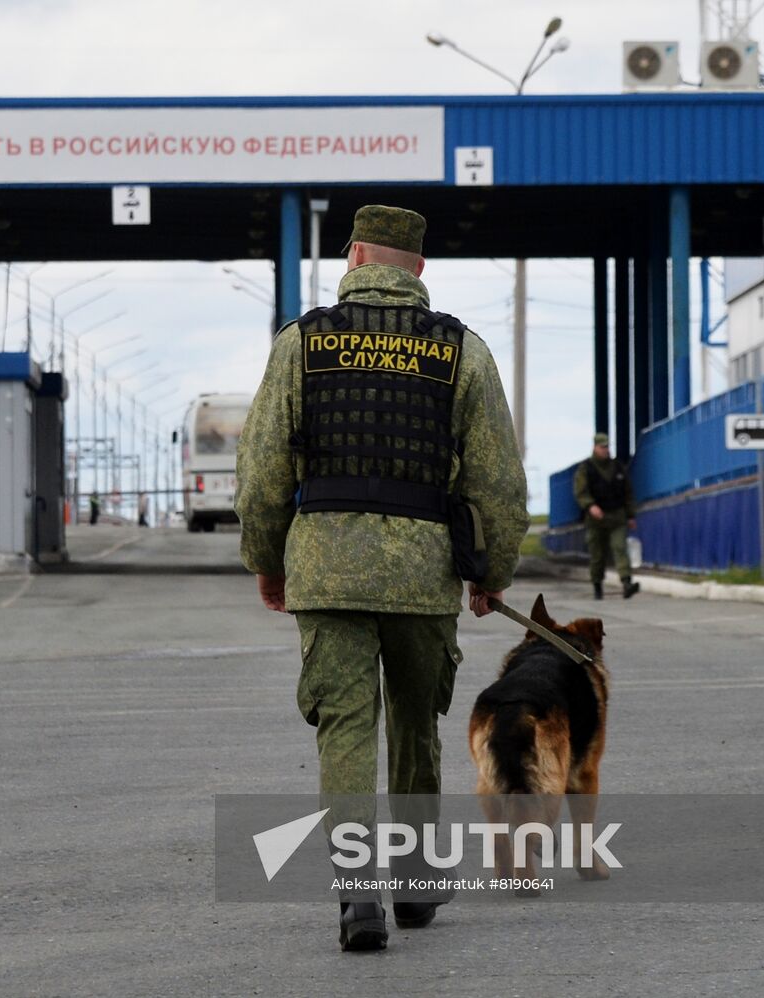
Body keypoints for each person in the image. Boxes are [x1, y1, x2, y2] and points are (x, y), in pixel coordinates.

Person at [236, 204, 529, 952]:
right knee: (415, 725)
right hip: (422, 571)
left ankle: (356, 896)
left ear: (356, 253)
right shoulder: (464, 352)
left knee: (345, 728)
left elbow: (264, 470)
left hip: (326, 566)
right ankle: (417, 883)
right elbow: (498, 481)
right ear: (419, 269)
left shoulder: (301, 342)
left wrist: (268, 560)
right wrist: (491, 573)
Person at [573, 433, 639, 600]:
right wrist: (590, 505)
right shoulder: (585, 468)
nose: (606, 450)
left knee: (619, 548)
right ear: (595, 447)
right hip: (596, 519)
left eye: (607, 447)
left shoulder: (617, 467)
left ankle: (626, 583)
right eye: (603, 447)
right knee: (597, 554)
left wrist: (631, 515)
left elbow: (628, 493)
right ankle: (597, 585)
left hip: (617, 516)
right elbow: (580, 492)